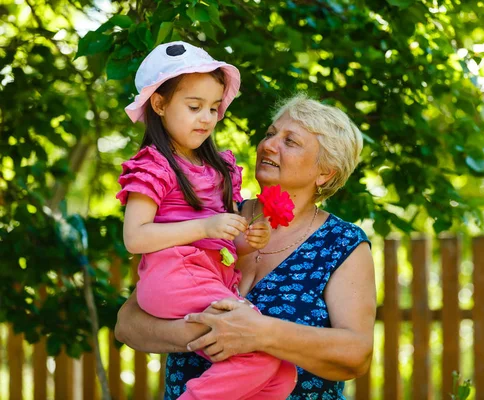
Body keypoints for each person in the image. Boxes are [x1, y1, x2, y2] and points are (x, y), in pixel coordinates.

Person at [115, 93, 377, 400]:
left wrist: (260, 334)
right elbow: (128, 323)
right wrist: (207, 333)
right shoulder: (213, 219)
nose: (268, 145)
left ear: (325, 172)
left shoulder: (341, 243)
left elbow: (356, 353)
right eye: (270, 134)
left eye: (290, 141)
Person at [116, 41, 297, 400]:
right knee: (258, 349)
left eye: (214, 108)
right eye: (195, 107)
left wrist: (245, 239)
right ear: (160, 104)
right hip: (173, 278)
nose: (207, 118)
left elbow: (217, 242)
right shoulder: (154, 165)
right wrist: (205, 226)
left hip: (206, 274)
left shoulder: (217, 168)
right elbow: (135, 238)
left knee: (282, 372)